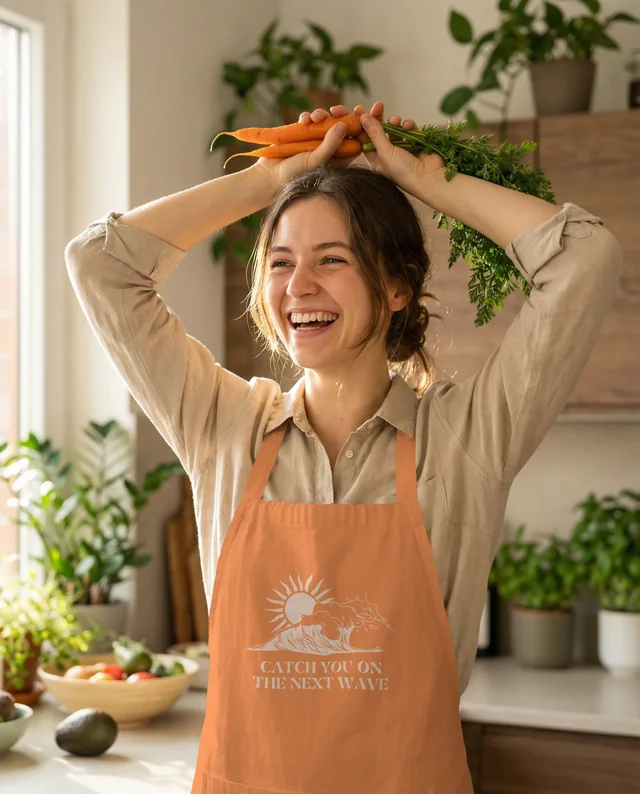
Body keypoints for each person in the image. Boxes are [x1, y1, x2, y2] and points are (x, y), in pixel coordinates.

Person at [65, 100, 623, 793]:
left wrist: (423, 178)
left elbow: (584, 255)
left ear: (396, 287)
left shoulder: (466, 439)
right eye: (280, 262)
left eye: (332, 260)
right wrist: (270, 180)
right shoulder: (223, 427)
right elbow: (99, 265)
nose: (299, 286)